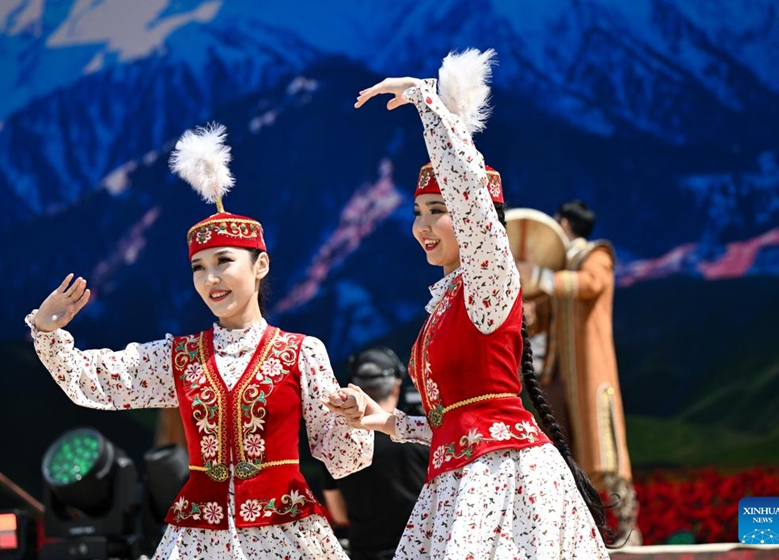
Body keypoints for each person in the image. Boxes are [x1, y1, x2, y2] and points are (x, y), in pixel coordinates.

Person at [25, 123, 373, 560]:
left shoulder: (302, 352)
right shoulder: (181, 357)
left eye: (224, 261)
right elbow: (94, 381)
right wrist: (47, 331)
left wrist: (353, 418)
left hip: (286, 534)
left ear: (261, 265)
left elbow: (344, 459)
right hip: (199, 538)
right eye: (198, 268)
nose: (210, 279)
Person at [326, 48, 610, 558]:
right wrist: (383, 420)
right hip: (459, 481)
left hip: (504, 483)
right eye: (417, 212)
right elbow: (454, 423)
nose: (422, 226)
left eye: (438, 210)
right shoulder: (446, 305)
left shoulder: (490, 280)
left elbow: (471, 197)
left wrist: (425, 100)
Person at [525, 199, 641, 545]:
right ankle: (577, 529)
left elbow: (591, 284)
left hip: (589, 372)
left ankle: (628, 526)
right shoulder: (559, 270)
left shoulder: (595, 255)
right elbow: (544, 315)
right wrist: (531, 312)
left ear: (564, 224)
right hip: (557, 374)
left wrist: (542, 277)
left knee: (602, 446)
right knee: (561, 448)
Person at [320, 346, 428, 560]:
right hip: (421, 551)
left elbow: (339, 515)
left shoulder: (338, 443)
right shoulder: (424, 439)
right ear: (397, 384)